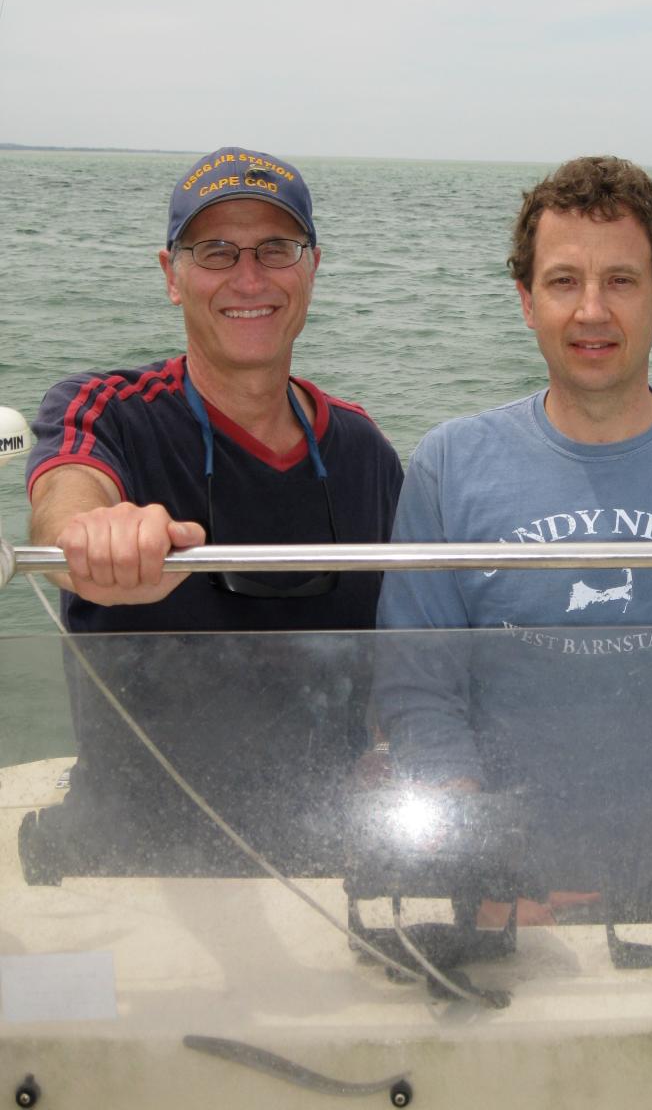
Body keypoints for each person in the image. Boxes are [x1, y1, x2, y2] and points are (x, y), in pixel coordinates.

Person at [375, 155, 652, 923]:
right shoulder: (449, 462)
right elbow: (420, 693)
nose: (591, 311)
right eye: (562, 282)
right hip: (506, 896)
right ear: (525, 300)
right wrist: (483, 873)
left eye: (620, 281)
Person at [22, 147, 403, 878]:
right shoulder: (107, 411)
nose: (249, 277)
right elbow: (65, 496)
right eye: (216, 251)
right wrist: (93, 535)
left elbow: (398, 647)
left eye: (276, 249)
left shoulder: (364, 448)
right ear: (172, 275)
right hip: (140, 853)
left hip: (329, 849)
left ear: (313, 268)